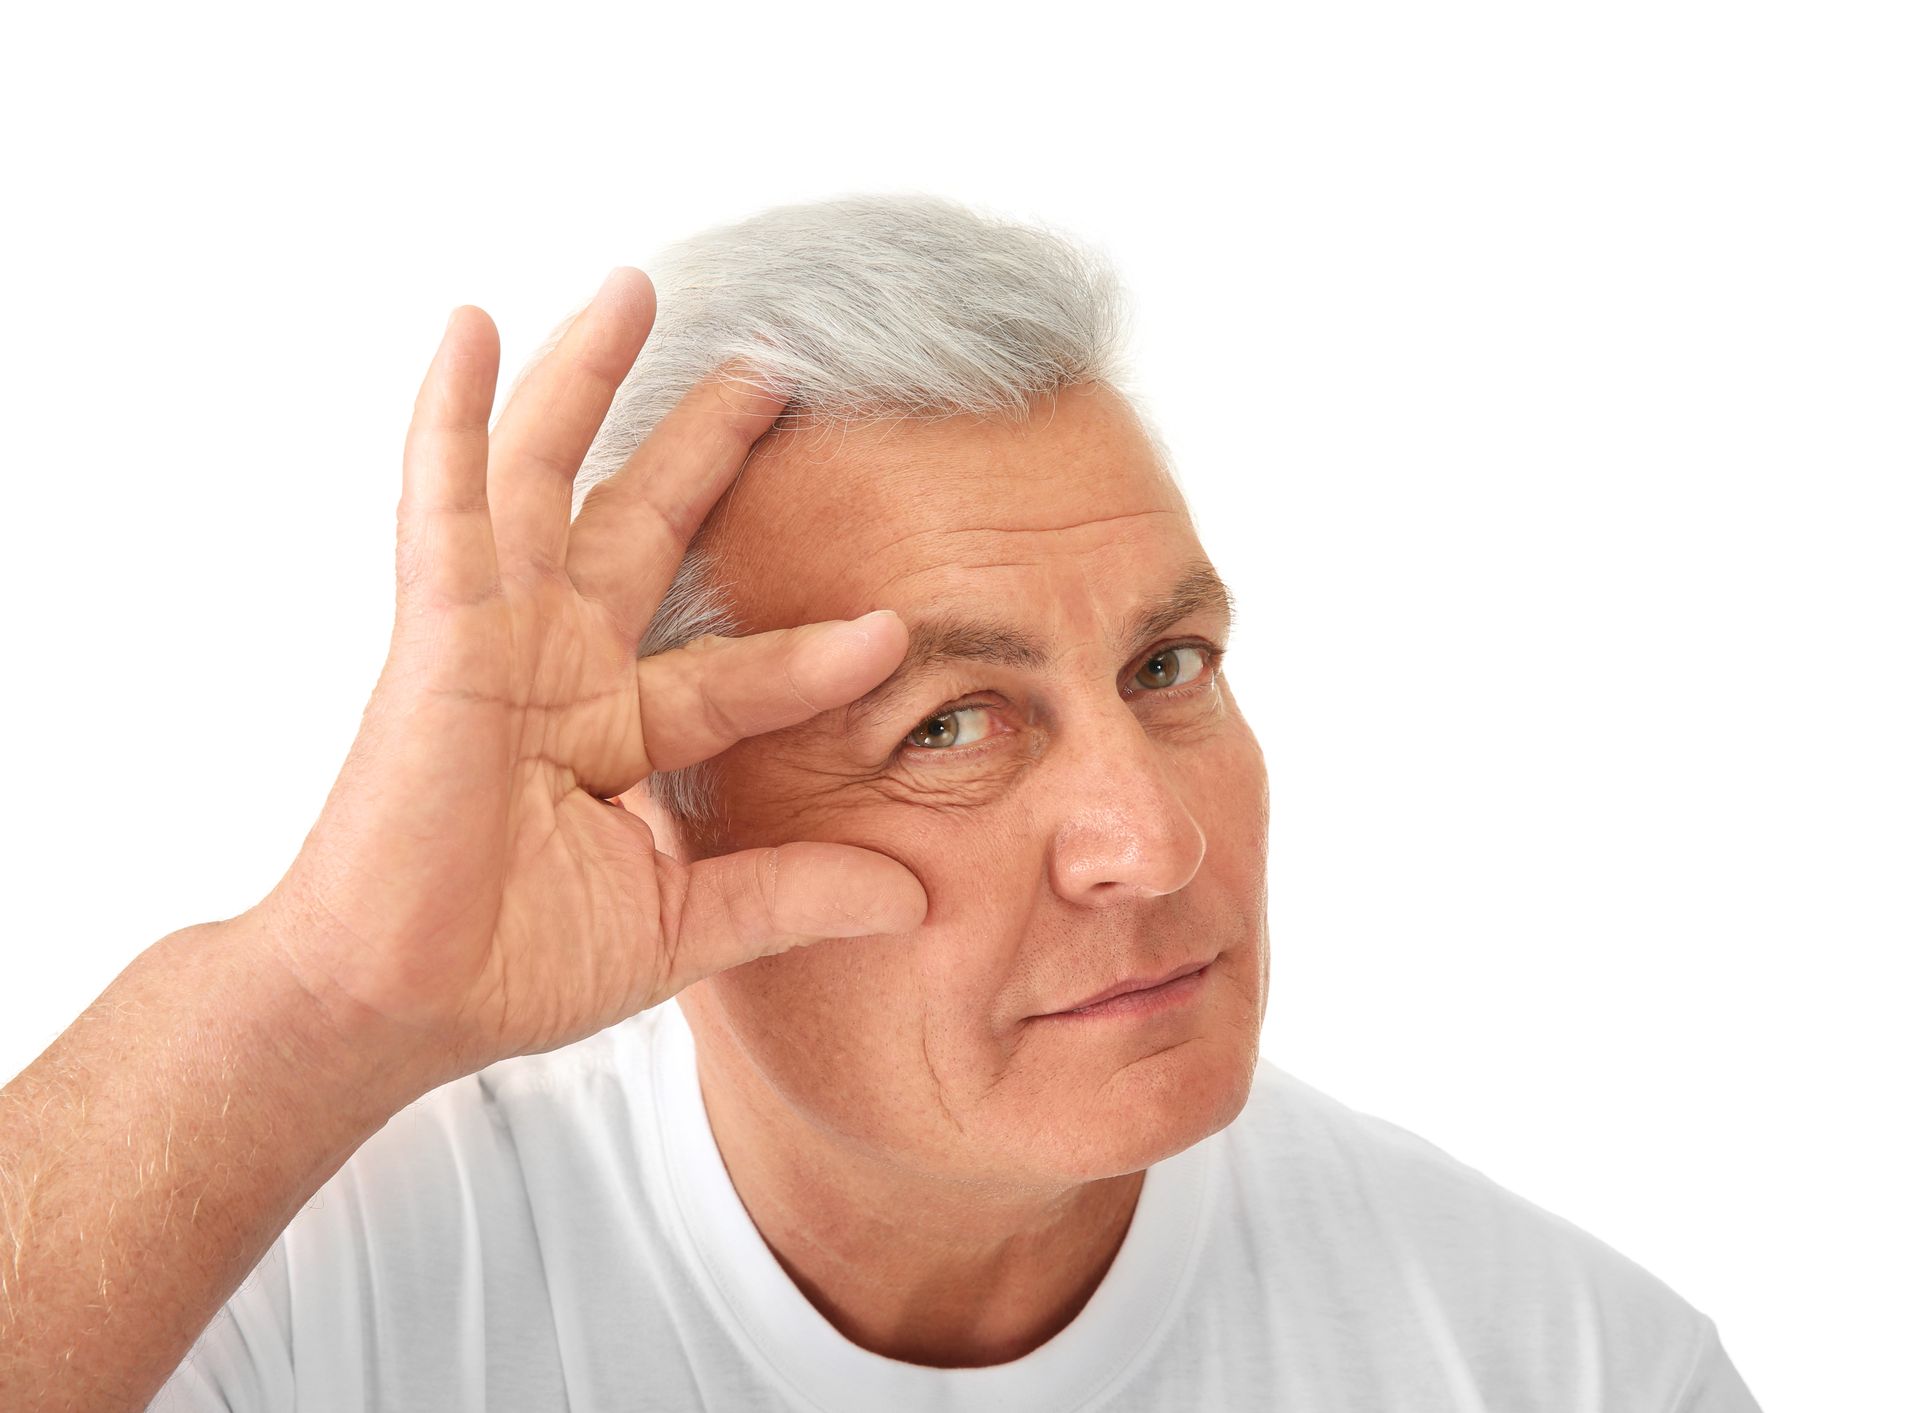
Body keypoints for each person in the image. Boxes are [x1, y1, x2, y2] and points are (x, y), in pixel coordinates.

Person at [0, 194, 1763, 1412]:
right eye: (952, 726)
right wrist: (323, 992)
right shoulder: (323, 1295)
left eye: (1169, 668)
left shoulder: (1563, 1363)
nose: (1157, 845)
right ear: (661, 805)